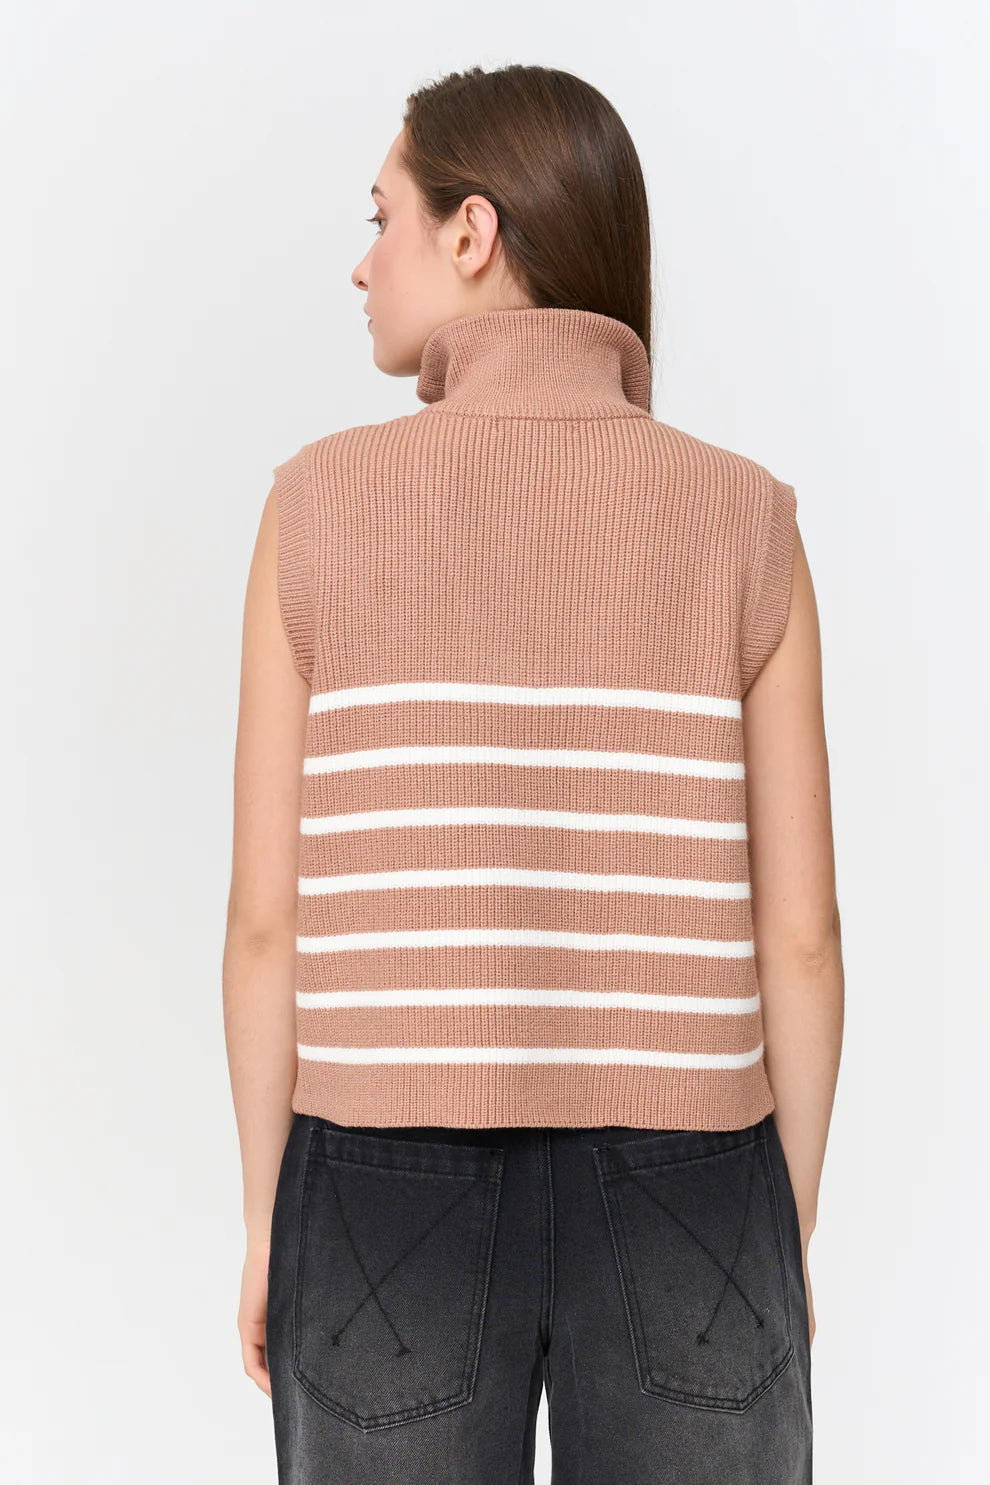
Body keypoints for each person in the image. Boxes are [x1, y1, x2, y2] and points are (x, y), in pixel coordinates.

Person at [223, 62, 842, 1485]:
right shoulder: (745, 517)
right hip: (696, 1173)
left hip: (381, 1176)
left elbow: (266, 925)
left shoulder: (315, 506)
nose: (362, 262)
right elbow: (801, 937)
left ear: (472, 231)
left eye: (382, 216)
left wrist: (266, 1224)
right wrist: (777, 1228)